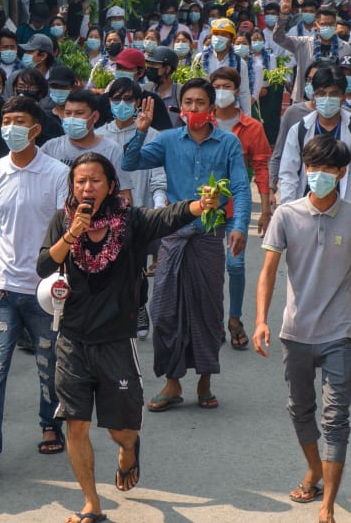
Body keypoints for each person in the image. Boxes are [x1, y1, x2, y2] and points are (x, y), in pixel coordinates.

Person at [37, 152, 220, 523]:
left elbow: (167, 217)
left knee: (121, 430)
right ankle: (92, 504)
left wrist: (202, 205)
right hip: (72, 339)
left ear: (111, 185)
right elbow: (43, 265)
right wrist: (72, 233)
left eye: (95, 181)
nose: (87, 188)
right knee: (76, 424)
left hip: (117, 341)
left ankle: (129, 449)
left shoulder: (131, 222)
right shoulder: (63, 221)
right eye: (80, 182)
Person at [122, 78, 251, 412]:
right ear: (181, 108)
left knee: (208, 311)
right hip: (172, 235)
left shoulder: (228, 143)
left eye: (200, 102)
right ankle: (172, 382)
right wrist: (141, 130)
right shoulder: (166, 140)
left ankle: (205, 378)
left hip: (209, 235)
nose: (194, 108)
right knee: (164, 310)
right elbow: (130, 162)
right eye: (188, 102)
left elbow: (239, 187)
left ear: (211, 107)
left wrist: (239, 226)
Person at [0, 95, 70, 477]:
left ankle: (49, 423)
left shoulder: (58, 173)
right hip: (2, 289)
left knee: (48, 363)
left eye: (18, 120)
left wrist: (62, 283)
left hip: (44, 290)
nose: (10, 127)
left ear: (36, 129)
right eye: (6, 120)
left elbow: (64, 233)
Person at [253, 135, 351, 523]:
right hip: (294, 332)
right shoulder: (286, 215)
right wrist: (260, 320)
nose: (319, 175)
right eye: (313, 167)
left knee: (336, 417)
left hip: (341, 333)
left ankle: (327, 503)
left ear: (341, 172)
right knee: (299, 409)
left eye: (327, 168)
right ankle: (313, 469)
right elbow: (269, 273)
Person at [96, 79, 168, 339]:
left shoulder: (153, 136)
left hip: (139, 212)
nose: (122, 104)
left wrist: (158, 207)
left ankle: (138, 307)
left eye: (128, 99)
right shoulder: (100, 135)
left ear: (138, 102)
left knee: (135, 265)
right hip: (106, 214)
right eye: (116, 99)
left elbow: (159, 178)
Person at [209, 67, 272, 350]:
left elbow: (260, 167)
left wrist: (267, 207)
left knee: (235, 265)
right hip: (206, 209)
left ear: (237, 90)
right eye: (216, 85)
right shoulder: (200, 122)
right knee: (209, 268)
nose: (221, 90)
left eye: (226, 86)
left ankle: (234, 319)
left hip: (237, 207)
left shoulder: (252, 127)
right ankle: (212, 320)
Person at [40, 90, 133, 204]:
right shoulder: (50, 148)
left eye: (79, 113)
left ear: (94, 117)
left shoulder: (112, 150)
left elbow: (124, 195)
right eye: (68, 113)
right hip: (60, 218)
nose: (72, 119)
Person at [278, 65, 351, 203]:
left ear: (343, 97)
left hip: (346, 209)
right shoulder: (299, 130)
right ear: (314, 96)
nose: (327, 99)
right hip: (306, 206)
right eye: (322, 94)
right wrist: (288, 208)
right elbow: (288, 173)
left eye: (334, 94)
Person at [275, 0, 349, 101]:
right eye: (323, 24)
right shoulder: (303, 43)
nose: (327, 27)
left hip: (333, 100)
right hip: (305, 99)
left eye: (331, 24)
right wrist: (283, 16)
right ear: (316, 25)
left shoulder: (346, 48)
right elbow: (278, 38)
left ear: (336, 25)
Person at [194, 18, 253, 114]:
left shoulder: (239, 63)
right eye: (216, 34)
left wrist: (247, 118)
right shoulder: (199, 59)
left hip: (230, 112)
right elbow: (193, 86)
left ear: (231, 39)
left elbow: (244, 93)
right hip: (205, 111)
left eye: (223, 35)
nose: (218, 38)